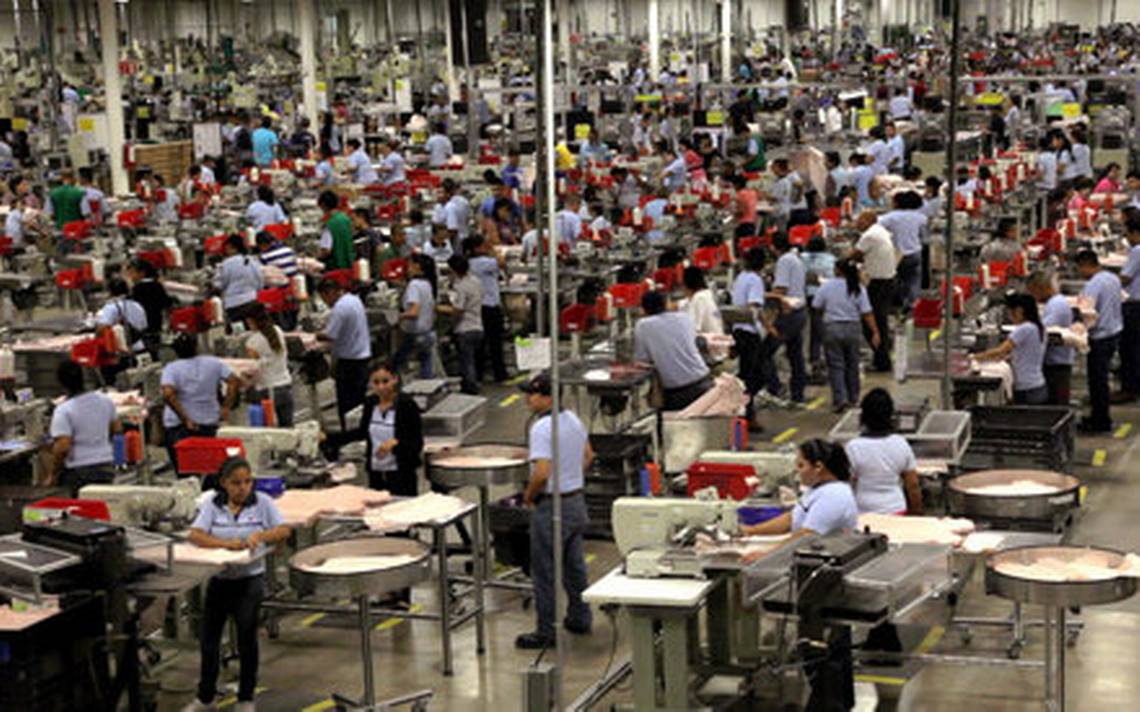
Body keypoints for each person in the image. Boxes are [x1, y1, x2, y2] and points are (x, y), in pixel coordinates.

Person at [183, 457, 290, 712]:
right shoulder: (212, 504)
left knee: (246, 638)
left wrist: (261, 535)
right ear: (223, 484)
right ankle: (206, 697)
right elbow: (195, 534)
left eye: (247, 482)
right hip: (220, 581)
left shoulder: (262, 503)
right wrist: (224, 544)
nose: (243, 488)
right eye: (236, 483)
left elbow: (283, 530)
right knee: (209, 641)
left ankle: (246, 697)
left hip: (249, 581)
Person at [515, 373, 593, 649]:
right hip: (576, 502)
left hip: (552, 507)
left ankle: (545, 631)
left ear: (546, 397)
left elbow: (542, 473)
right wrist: (570, 477)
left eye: (532, 394)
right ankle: (581, 616)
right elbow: (588, 456)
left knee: (544, 571)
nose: (528, 399)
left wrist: (529, 497)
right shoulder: (573, 419)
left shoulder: (542, 428)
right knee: (574, 566)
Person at [325, 361, 424, 496]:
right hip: (376, 473)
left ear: (395, 379)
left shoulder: (407, 405)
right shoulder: (371, 403)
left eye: (385, 381)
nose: (381, 387)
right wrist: (330, 438)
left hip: (401, 475)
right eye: (376, 383)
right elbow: (362, 432)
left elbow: (416, 443)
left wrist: (396, 445)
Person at [742, 438, 858, 537]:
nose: (797, 471)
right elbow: (791, 519)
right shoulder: (818, 488)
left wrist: (765, 555)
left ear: (818, 467)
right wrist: (751, 530)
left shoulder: (834, 496)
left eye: (801, 465)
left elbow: (807, 536)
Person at [162, 334, 240, 479]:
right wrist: (226, 407)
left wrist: (185, 419)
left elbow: (168, 394)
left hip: (180, 428)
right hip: (208, 422)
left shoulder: (171, 369)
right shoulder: (213, 363)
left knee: (186, 475)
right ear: (196, 347)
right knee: (212, 470)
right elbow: (234, 381)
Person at [814, 259, 880, 412]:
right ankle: (853, 398)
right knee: (852, 364)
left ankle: (840, 399)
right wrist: (875, 332)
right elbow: (867, 313)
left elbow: (816, 305)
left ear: (838, 270)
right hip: (853, 329)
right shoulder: (858, 288)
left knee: (836, 365)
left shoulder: (827, 286)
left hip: (832, 328)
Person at [48, 361, 120, 496]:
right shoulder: (105, 401)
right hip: (106, 466)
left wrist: (53, 474)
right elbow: (117, 431)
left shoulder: (64, 410)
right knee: (104, 506)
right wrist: (119, 460)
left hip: (79, 471)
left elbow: (63, 447)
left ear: (61, 383)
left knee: (82, 511)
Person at [846, 388, 923, 515]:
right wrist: (917, 515)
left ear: (863, 416)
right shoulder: (901, 444)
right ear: (890, 415)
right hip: (896, 510)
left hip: (864, 512)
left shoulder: (853, 447)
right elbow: (913, 486)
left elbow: (847, 484)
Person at [634, 290, 713, 410]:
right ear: (666, 304)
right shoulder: (685, 318)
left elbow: (643, 360)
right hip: (704, 382)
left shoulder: (642, 326)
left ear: (644, 309)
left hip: (677, 393)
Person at [316, 278, 372, 430]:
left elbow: (330, 335)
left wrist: (315, 335)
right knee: (359, 402)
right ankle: (360, 431)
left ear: (330, 293)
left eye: (324, 298)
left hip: (349, 362)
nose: (326, 303)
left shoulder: (340, 308)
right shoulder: (354, 300)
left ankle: (350, 434)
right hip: (362, 357)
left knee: (347, 404)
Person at [973, 293, 1048, 405]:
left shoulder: (1024, 329)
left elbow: (1000, 350)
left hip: (1026, 389)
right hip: (1037, 386)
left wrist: (973, 357)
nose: (1009, 316)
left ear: (1019, 311)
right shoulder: (1038, 328)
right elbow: (1028, 353)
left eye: (1009, 312)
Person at [1076, 250, 1122, 433]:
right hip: (1114, 332)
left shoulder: (1093, 285)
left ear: (1086, 265)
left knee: (1097, 381)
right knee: (1102, 379)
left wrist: (1076, 329)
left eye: (1080, 268)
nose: (1080, 272)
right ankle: (1099, 416)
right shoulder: (1113, 278)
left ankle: (1100, 421)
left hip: (1100, 337)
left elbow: (1088, 313)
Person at [732, 248, 775, 425]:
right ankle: (746, 415)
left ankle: (744, 412)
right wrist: (769, 326)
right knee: (756, 376)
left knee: (746, 375)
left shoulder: (741, 277)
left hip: (737, 330)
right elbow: (754, 307)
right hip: (750, 333)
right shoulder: (756, 280)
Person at [849, 211, 895, 372]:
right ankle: (881, 357)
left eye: (859, 219)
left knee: (871, 322)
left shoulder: (869, 235)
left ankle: (882, 360)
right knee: (880, 321)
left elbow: (853, 256)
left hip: (878, 283)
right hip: (887, 281)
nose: (857, 222)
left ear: (868, 220)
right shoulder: (880, 231)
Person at [765, 233, 808, 402]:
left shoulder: (783, 261)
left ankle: (775, 389)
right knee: (795, 355)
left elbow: (781, 290)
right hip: (800, 312)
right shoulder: (796, 259)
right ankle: (798, 395)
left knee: (764, 353)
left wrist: (761, 294)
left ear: (774, 246)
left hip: (788, 314)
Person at [465, 236, 510, 383]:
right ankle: (499, 373)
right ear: (477, 248)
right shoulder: (482, 262)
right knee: (495, 342)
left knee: (481, 344)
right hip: (489, 306)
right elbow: (502, 262)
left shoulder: (470, 263)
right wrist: (493, 250)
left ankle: (479, 374)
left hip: (478, 307)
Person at [1027, 271, 1074, 406]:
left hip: (1057, 363)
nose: (1034, 297)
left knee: (1056, 404)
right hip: (1056, 360)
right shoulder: (1055, 302)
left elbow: (1043, 330)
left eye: (1033, 292)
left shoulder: (1056, 305)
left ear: (1041, 288)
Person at [438, 255, 484, 394]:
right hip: (478, 326)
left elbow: (458, 310)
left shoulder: (461, 286)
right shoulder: (475, 281)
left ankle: (470, 389)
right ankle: (475, 383)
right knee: (473, 360)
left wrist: (437, 308)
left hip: (465, 329)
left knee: (467, 362)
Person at [244, 304, 294, 427]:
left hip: (267, 393)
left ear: (251, 321)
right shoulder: (277, 331)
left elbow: (253, 369)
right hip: (285, 388)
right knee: (288, 432)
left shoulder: (252, 342)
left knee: (270, 436)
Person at [879, 191, 927, 313]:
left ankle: (895, 304)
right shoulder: (920, 217)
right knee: (913, 279)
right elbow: (924, 235)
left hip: (896, 254)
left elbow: (877, 227)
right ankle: (912, 305)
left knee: (894, 279)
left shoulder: (890, 217)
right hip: (915, 252)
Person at [94, 278, 149, 384]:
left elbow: (102, 328)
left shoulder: (111, 307)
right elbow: (144, 326)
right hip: (141, 349)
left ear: (110, 291)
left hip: (122, 354)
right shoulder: (137, 306)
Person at [394, 254, 438, 379]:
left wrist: (399, 317)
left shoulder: (414, 285)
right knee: (426, 366)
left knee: (397, 362)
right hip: (428, 332)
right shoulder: (427, 283)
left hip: (415, 334)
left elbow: (414, 312)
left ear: (417, 266)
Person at [802, 236, 836, 380]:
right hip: (825, 297)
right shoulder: (830, 259)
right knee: (821, 329)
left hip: (808, 296)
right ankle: (826, 360)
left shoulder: (802, 258)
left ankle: (815, 358)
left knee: (814, 329)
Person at [1116, 211, 1140, 403]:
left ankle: (1129, 389)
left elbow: (1126, 277)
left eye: (1127, 234)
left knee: (1129, 348)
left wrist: (1105, 281)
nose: (1127, 239)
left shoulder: (1138, 250)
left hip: (1134, 306)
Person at [126, 258, 173, 357]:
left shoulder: (138, 289)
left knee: (145, 350)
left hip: (144, 326)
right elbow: (166, 302)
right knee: (155, 347)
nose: (130, 277)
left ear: (142, 273)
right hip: (156, 322)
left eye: (132, 273)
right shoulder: (157, 285)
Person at [214, 234, 264, 324]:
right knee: (263, 328)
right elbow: (260, 280)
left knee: (238, 334)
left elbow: (219, 285)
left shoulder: (225, 264)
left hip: (234, 305)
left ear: (231, 247)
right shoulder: (253, 260)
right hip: (252, 300)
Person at [679, 265, 724, 335]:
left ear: (687, 284)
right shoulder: (706, 295)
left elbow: (693, 329)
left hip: (710, 344)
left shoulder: (699, 298)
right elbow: (684, 303)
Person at [318, 190, 355, 270]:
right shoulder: (346, 219)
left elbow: (326, 251)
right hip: (349, 264)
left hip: (335, 266)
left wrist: (315, 257)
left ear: (323, 205)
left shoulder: (329, 225)